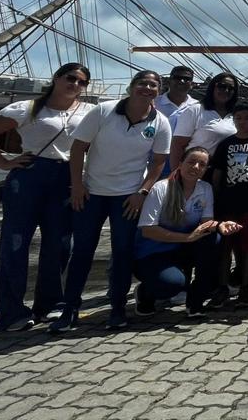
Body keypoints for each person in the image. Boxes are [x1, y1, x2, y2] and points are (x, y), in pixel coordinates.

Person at [0, 63, 94, 331]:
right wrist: (4, 163)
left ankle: (50, 304)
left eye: (81, 82)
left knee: (60, 243)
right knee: (16, 243)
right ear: (56, 78)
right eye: (70, 78)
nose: (75, 85)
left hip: (66, 176)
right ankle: (11, 311)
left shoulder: (87, 112)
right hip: (31, 174)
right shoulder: (28, 109)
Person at [52, 70, 172, 333]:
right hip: (92, 192)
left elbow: (159, 162)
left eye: (153, 85)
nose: (147, 88)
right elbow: (78, 148)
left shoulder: (160, 122)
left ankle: (117, 307)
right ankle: (70, 307)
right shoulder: (104, 111)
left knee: (122, 252)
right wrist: (77, 185)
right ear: (131, 87)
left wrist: (142, 192)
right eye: (142, 83)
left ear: (158, 91)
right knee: (82, 251)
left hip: (127, 196)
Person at [133, 147, 242, 318]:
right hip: (153, 253)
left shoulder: (205, 189)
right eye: (191, 162)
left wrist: (220, 225)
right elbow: (148, 230)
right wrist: (187, 238)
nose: (196, 167)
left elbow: (206, 224)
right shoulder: (161, 188)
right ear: (180, 163)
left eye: (202, 164)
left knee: (214, 239)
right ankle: (145, 292)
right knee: (172, 284)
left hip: (181, 248)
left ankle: (195, 303)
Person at [209, 98, 248, 306]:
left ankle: (245, 286)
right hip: (227, 203)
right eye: (238, 118)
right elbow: (217, 174)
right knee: (225, 246)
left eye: (247, 118)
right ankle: (223, 287)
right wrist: (215, 200)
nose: (242, 122)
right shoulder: (226, 144)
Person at [170, 72, 239, 167]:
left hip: (224, 171)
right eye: (222, 86)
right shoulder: (196, 110)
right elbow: (177, 145)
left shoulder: (236, 115)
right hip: (196, 168)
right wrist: (175, 173)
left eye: (231, 88)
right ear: (213, 87)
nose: (226, 90)